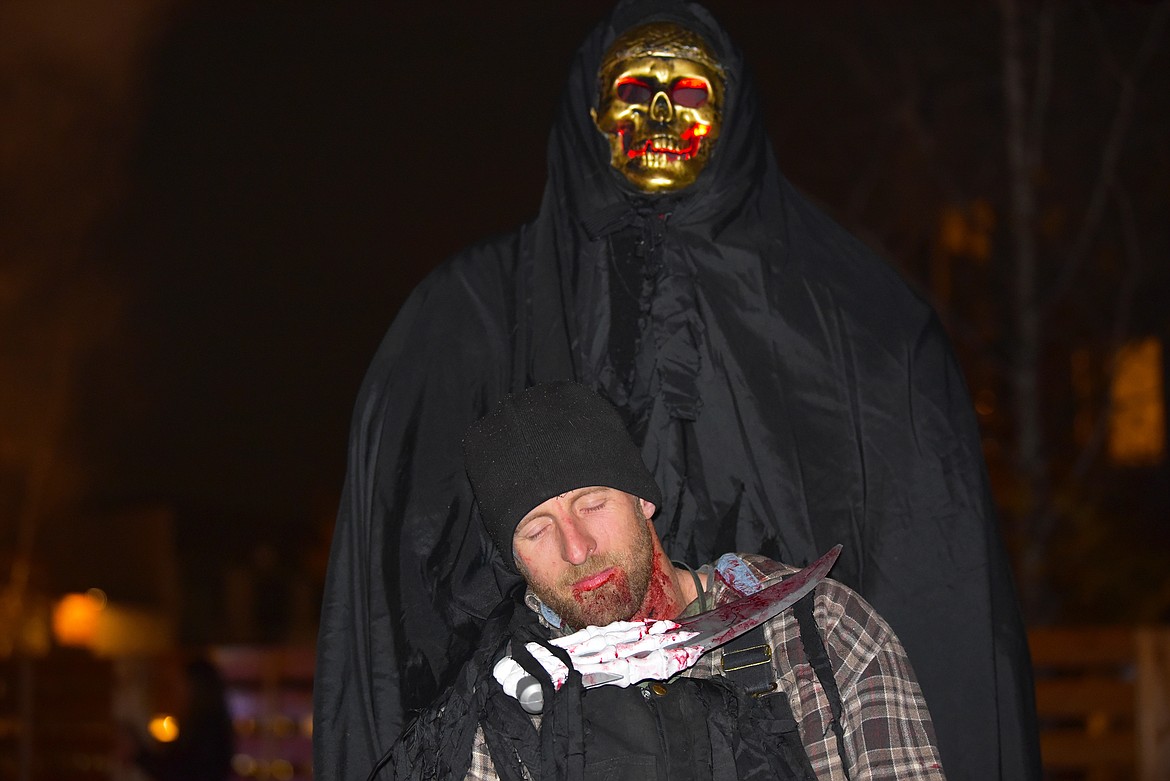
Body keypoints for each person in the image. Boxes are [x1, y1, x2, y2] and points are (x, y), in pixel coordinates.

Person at [314, 1, 1038, 778]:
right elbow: (400, 605)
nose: (660, 116)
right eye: (636, 92)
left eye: (686, 92)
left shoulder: (857, 322)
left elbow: (934, 583)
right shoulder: (467, 319)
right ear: (594, 113)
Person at [387, 381, 945, 780]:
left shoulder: (818, 630)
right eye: (537, 529)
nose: (577, 547)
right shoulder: (499, 707)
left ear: (642, 500)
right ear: (517, 563)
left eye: (593, 503)